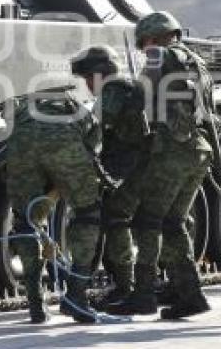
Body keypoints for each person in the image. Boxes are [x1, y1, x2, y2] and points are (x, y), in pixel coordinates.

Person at [108, 11, 213, 320]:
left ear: (153, 38)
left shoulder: (159, 54)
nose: (143, 51)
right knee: (173, 222)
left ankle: (143, 296)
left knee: (147, 221)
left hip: (172, 152)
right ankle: (191, 294)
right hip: (198, 150)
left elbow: (141, 94)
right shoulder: (197, 61)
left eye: (144, 44)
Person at [6, 51, 108, 324]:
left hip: (21, 144)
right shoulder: (75, 105)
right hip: (64, 142)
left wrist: (48, 192)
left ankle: (36, 306)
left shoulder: (22, 105)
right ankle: (76, 296)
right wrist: (63, 185)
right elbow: (93, 143)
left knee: (26, 222)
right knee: (87, 214)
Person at [91, 47, 149, 306]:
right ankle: (140, 281)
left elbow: (97, 125)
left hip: (128, 165)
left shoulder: (112, 90)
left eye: (86, 79)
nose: (86, 85)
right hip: (137, 163)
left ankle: (126, 286)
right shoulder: (127, 85)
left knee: (115, 218)